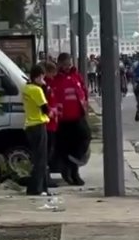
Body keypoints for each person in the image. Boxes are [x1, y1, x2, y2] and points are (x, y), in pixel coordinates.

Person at [51, 53, 90, 185]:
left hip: (78, 117)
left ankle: (74, 170)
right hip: (62, 120)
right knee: (65, 147)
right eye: (65, 64)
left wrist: (85, 107)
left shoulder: (76, 76)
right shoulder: (55, 79)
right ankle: (67, 172)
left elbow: (84, 91)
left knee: (84, 138)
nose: (68, 67)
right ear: (60, 64)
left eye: (69, 64)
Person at [22, 64, 51, 196]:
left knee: (36, 158)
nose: (44, 80)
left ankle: (35, 187)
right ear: (38, 76)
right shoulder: (37, 90)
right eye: (43, 77)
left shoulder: (26, 88)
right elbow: (45, 108)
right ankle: (38, 188)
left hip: (29, 125)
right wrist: (45, 87)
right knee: (41, 159)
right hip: (39, 124)